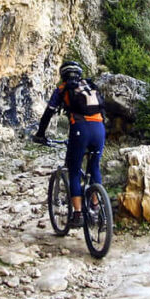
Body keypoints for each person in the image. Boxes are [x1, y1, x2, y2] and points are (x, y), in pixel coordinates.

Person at [33, 61, 106, 226]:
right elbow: (103, 110)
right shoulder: (90, 86)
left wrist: (40, 134)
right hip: (100, 129)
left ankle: (78, 214)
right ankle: (96, 209)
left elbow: (48, 113)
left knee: (73, 169)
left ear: (63, 75)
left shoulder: (63, 89)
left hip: (80, 129)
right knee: (94, 167)